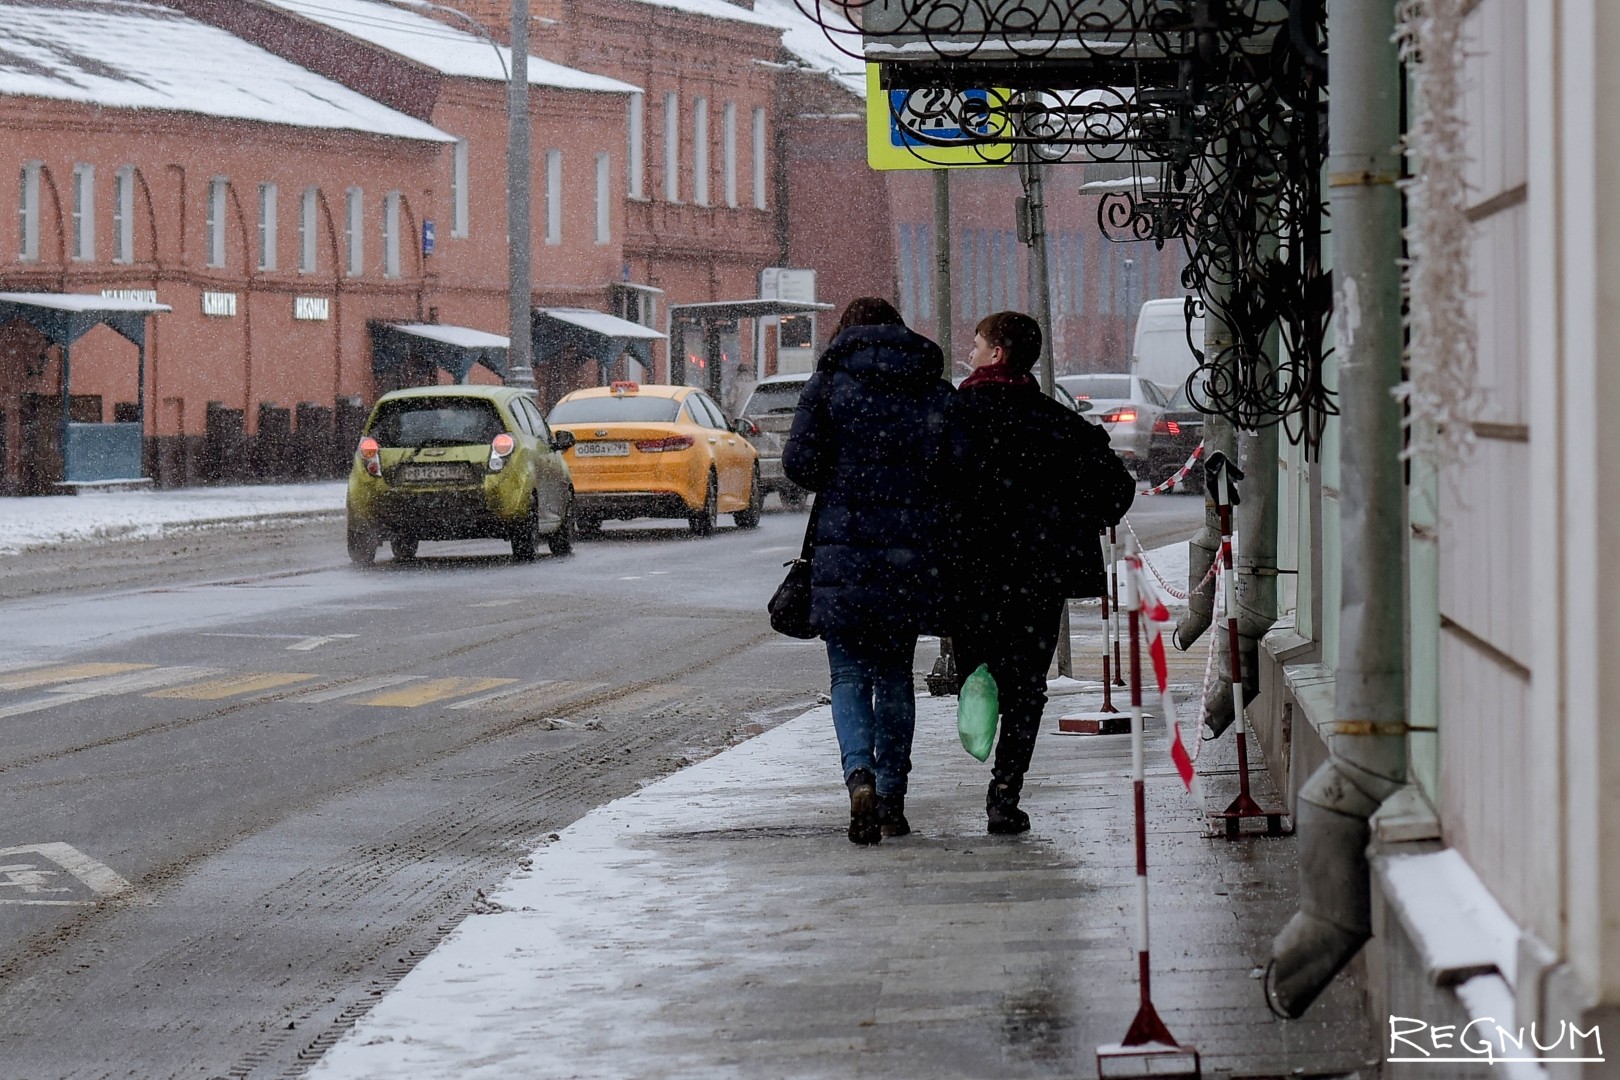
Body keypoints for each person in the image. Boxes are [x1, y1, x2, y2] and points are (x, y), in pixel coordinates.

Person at [945, 311, 1136, 834]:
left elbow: (926, 492)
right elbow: (1116, 489)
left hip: (972, 575)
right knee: (1028, 685)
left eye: (978, 344)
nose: (973, 352)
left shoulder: (954, 417)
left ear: (997, 355)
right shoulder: (1055, 422)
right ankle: (1006, 792)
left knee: (977, 673)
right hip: (1037, 579)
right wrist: (1068, 519)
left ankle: (979, 730)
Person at [782, 297, 952, 846]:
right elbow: (956, 458)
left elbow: (798, 463)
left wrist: (845, 471)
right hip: (909, 551)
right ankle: (892, 797)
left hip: (844, 548)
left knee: (849, 677)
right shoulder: (927, 381)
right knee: (895, 675)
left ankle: (859, 778)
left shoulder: (829, 381)